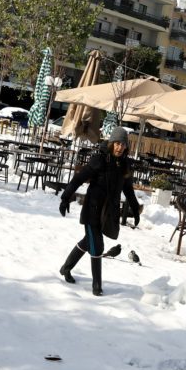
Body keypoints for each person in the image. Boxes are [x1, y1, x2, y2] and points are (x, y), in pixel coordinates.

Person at [57, 126, 141, 296]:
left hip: (108, 212)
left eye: (122, 144)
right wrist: (66, 197)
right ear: (111, 143)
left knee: (89, 242)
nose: (119, 147)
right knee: (97, 245)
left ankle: (66, 268)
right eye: (116, 143)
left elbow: (128, 189)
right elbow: (79, 178)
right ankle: (97, 285)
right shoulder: (99, 160)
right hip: (92, 209)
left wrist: (135, 208)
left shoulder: (124, 165)